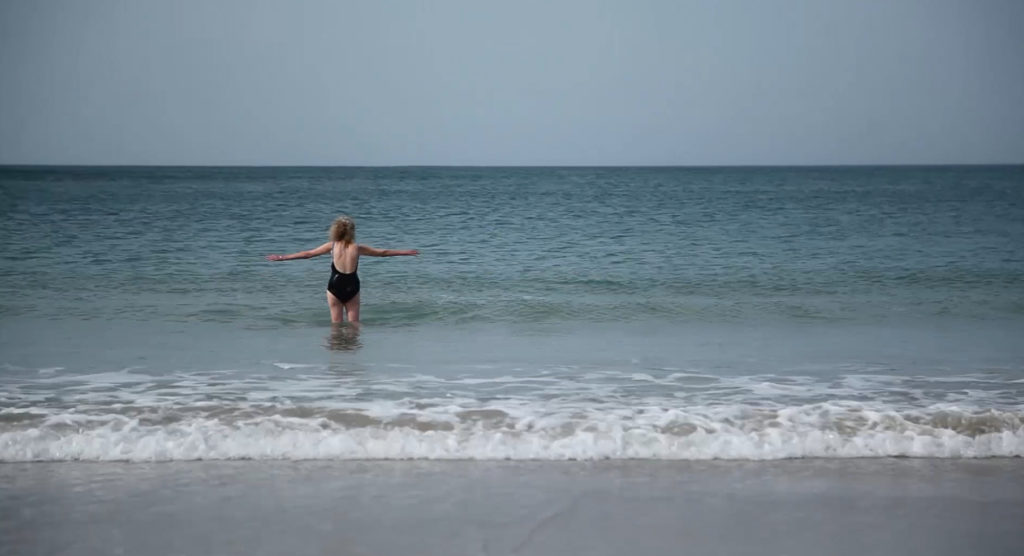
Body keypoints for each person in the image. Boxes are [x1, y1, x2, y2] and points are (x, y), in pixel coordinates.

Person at [265, 215, 419, 323]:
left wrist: (283, 257)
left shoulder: (331, 246)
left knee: (336, 324)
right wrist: (404, 252)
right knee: (354, 324)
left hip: (335, 286)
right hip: (353, 286)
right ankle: (353, 356)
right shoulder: (357, 248)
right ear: (352, 231)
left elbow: (308, 254)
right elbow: (383, 253)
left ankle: (337, 359)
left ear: (335, 231)